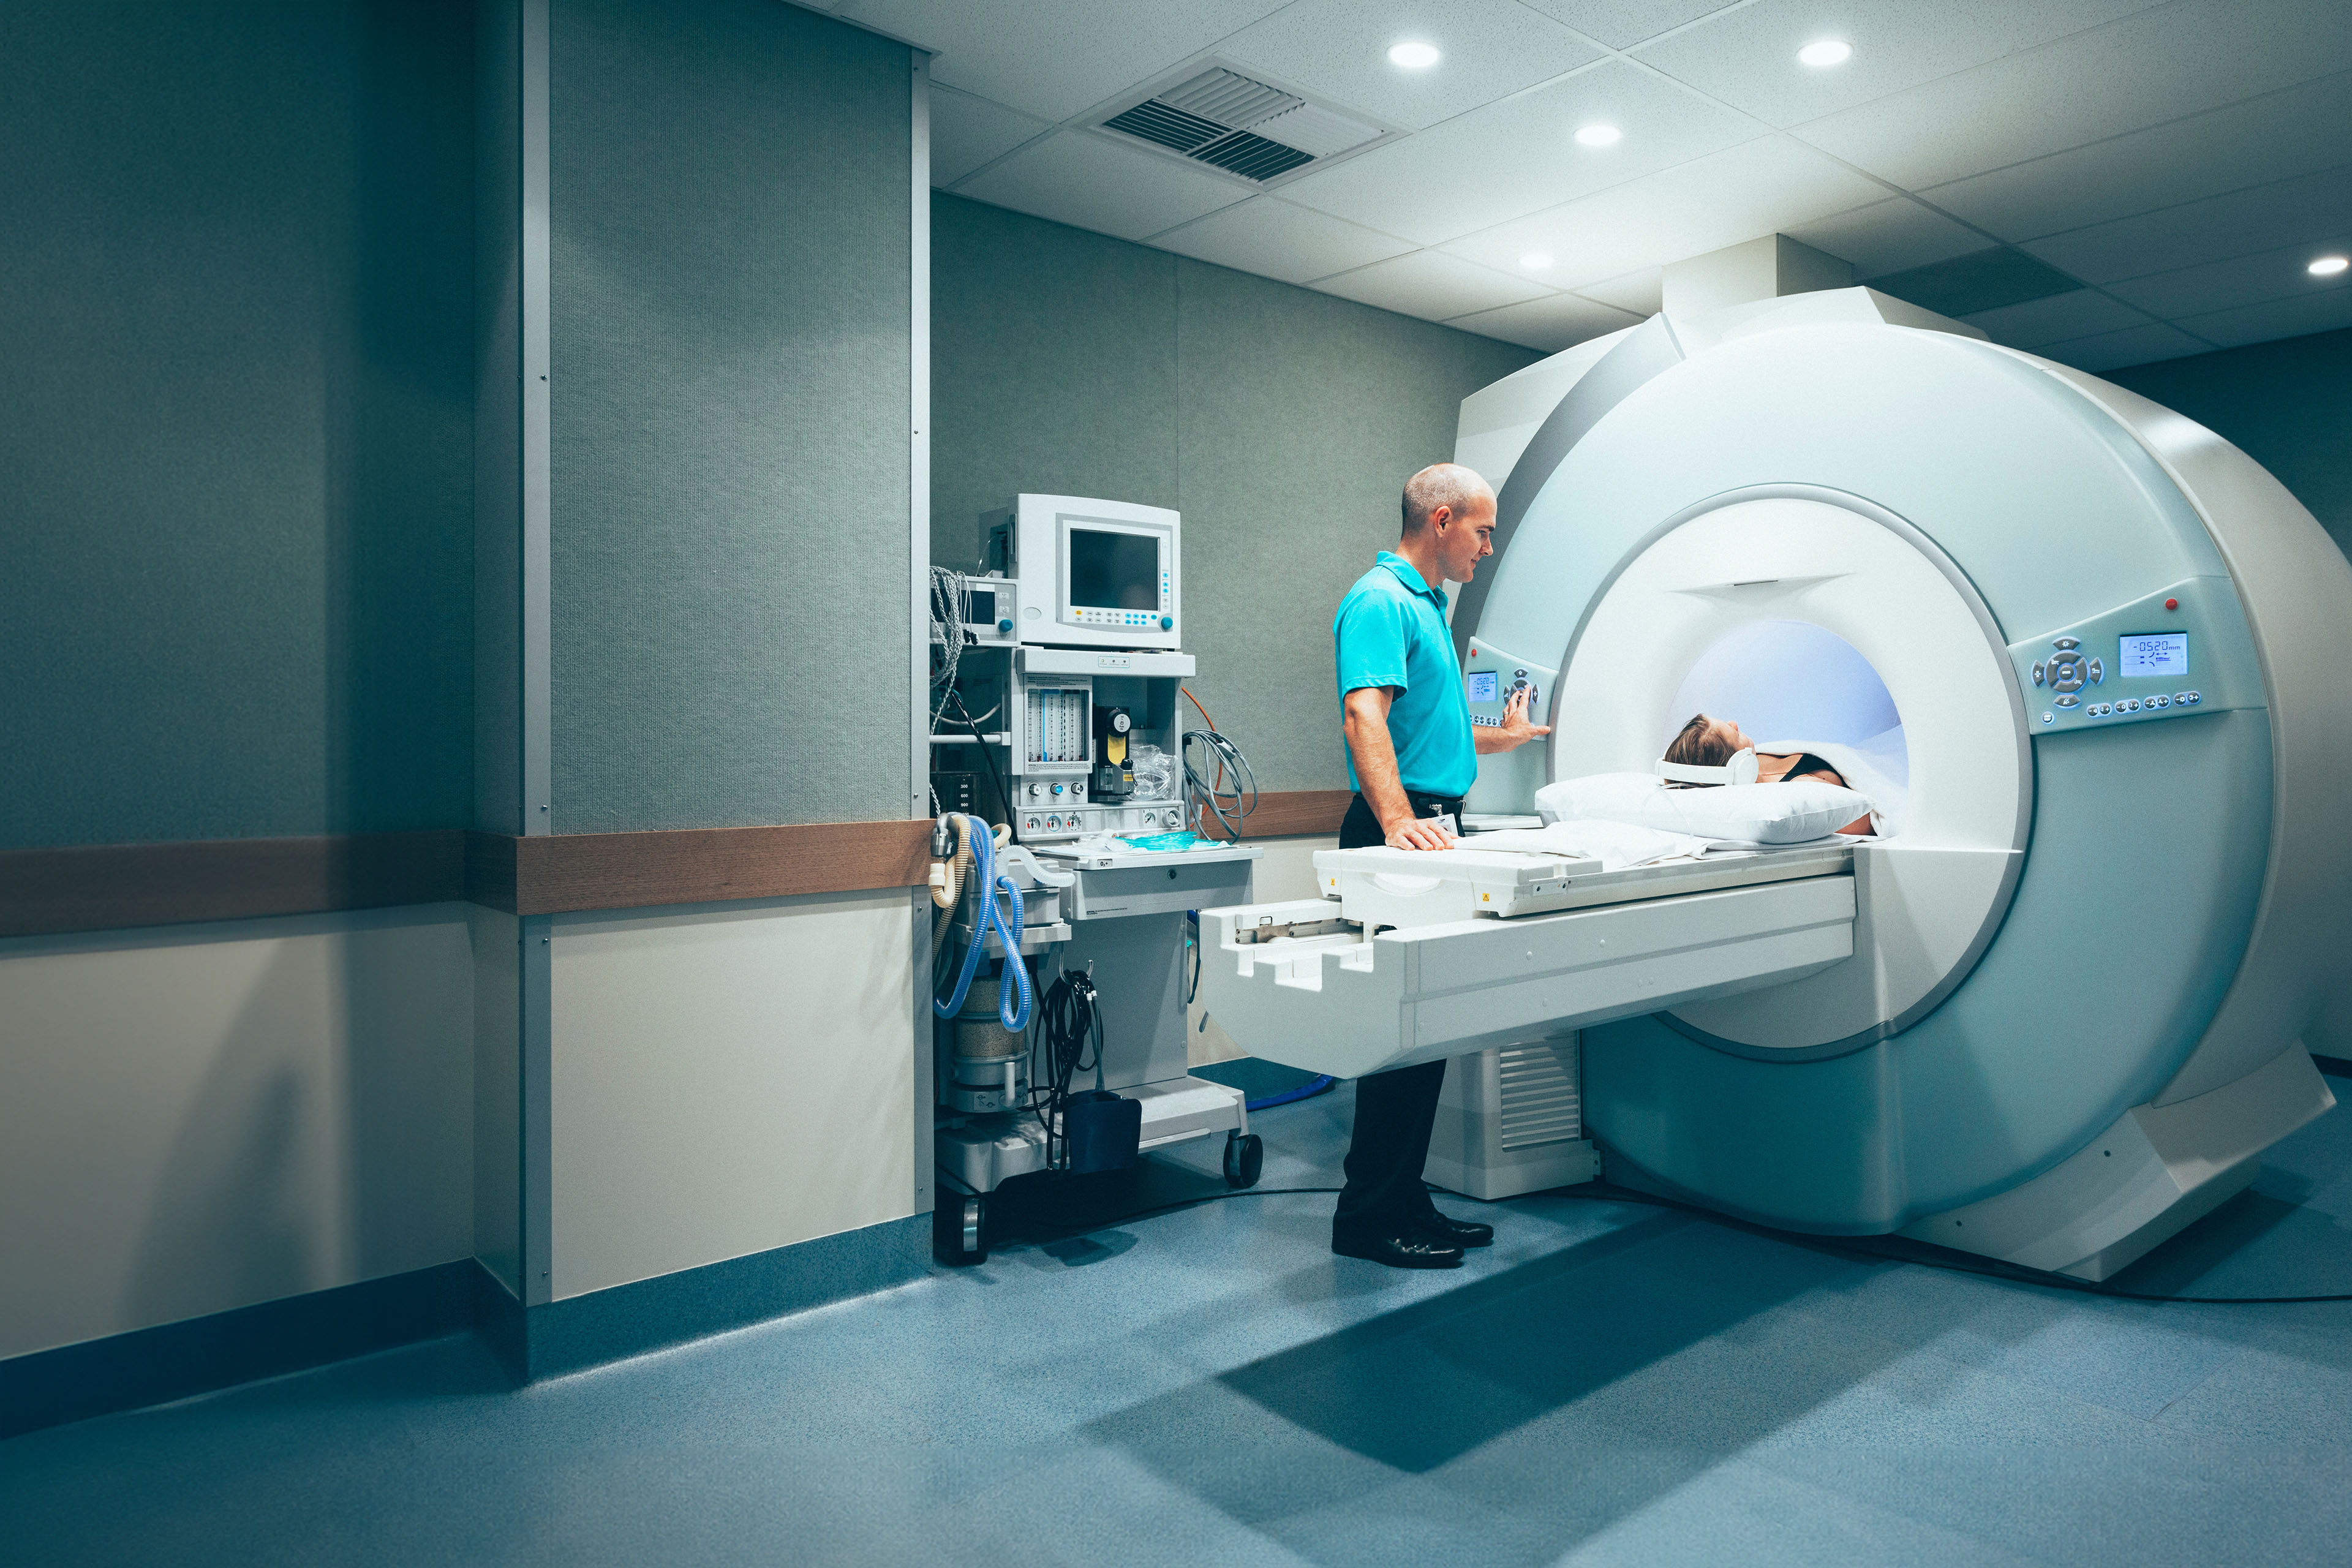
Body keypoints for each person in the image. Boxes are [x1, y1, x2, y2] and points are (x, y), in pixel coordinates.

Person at [1328, 462, 1550, 1268]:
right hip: (1399, 832)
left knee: (1427, 1035)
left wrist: (1507, 738)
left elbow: (1435, 733)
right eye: (1484, 531)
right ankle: (1368, 1215)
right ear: (1444, 519)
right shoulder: (1381, 601)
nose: (1488, 547)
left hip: (1427, 823)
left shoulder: (1427, 608)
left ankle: (1405, 1198)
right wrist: (1396, 821)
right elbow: (1366, 714)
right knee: (1399, 1036)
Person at [1661, 713, 1874, 836]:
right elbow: (1868, 820)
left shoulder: (1756, 757)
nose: (1734, 723)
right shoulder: (1804, 792)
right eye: (1733, 733)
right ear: (1739, 767)